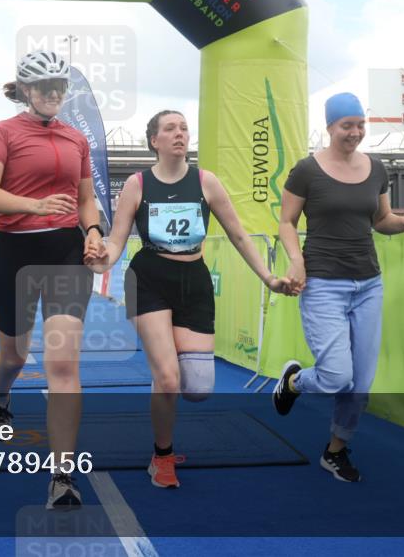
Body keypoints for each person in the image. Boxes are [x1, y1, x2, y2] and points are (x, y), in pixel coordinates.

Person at [85, 110, 293, 489]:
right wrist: (102, 260)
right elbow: (116, 240)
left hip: (193, 282)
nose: (179, 133)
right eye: (170, 129)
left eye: (183, 128)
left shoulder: (206, 182)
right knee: (168, 377)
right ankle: (162, 456)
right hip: (148, 278)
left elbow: (239, 235)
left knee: (197, 389)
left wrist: (268, 277)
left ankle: (164, 390)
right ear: (155, 141)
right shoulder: (137, 184)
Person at [273, 92, 404, 483]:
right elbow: (286, 222)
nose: (355, 132)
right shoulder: (306, 170)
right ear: (330, 126)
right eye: (347, 125)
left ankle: (335, 451)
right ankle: (293, 382)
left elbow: (381, 219)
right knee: (335, 376)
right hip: (322, 284)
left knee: (360, 384)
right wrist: (297, 260)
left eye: (361, 125)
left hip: (368, 284)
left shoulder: (376, 168)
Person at [0, 50, 104, 510]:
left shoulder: (76, 138)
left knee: (63, 365)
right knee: (13, 355)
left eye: (59, 86)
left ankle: (62, 476)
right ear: (26, 90)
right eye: (44, 86)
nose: (53, 93)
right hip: (13, 254)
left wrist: (93, 231)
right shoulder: (2, 132)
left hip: (65, 254)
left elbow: (86, 198)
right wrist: (35, 205)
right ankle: (1, 396)